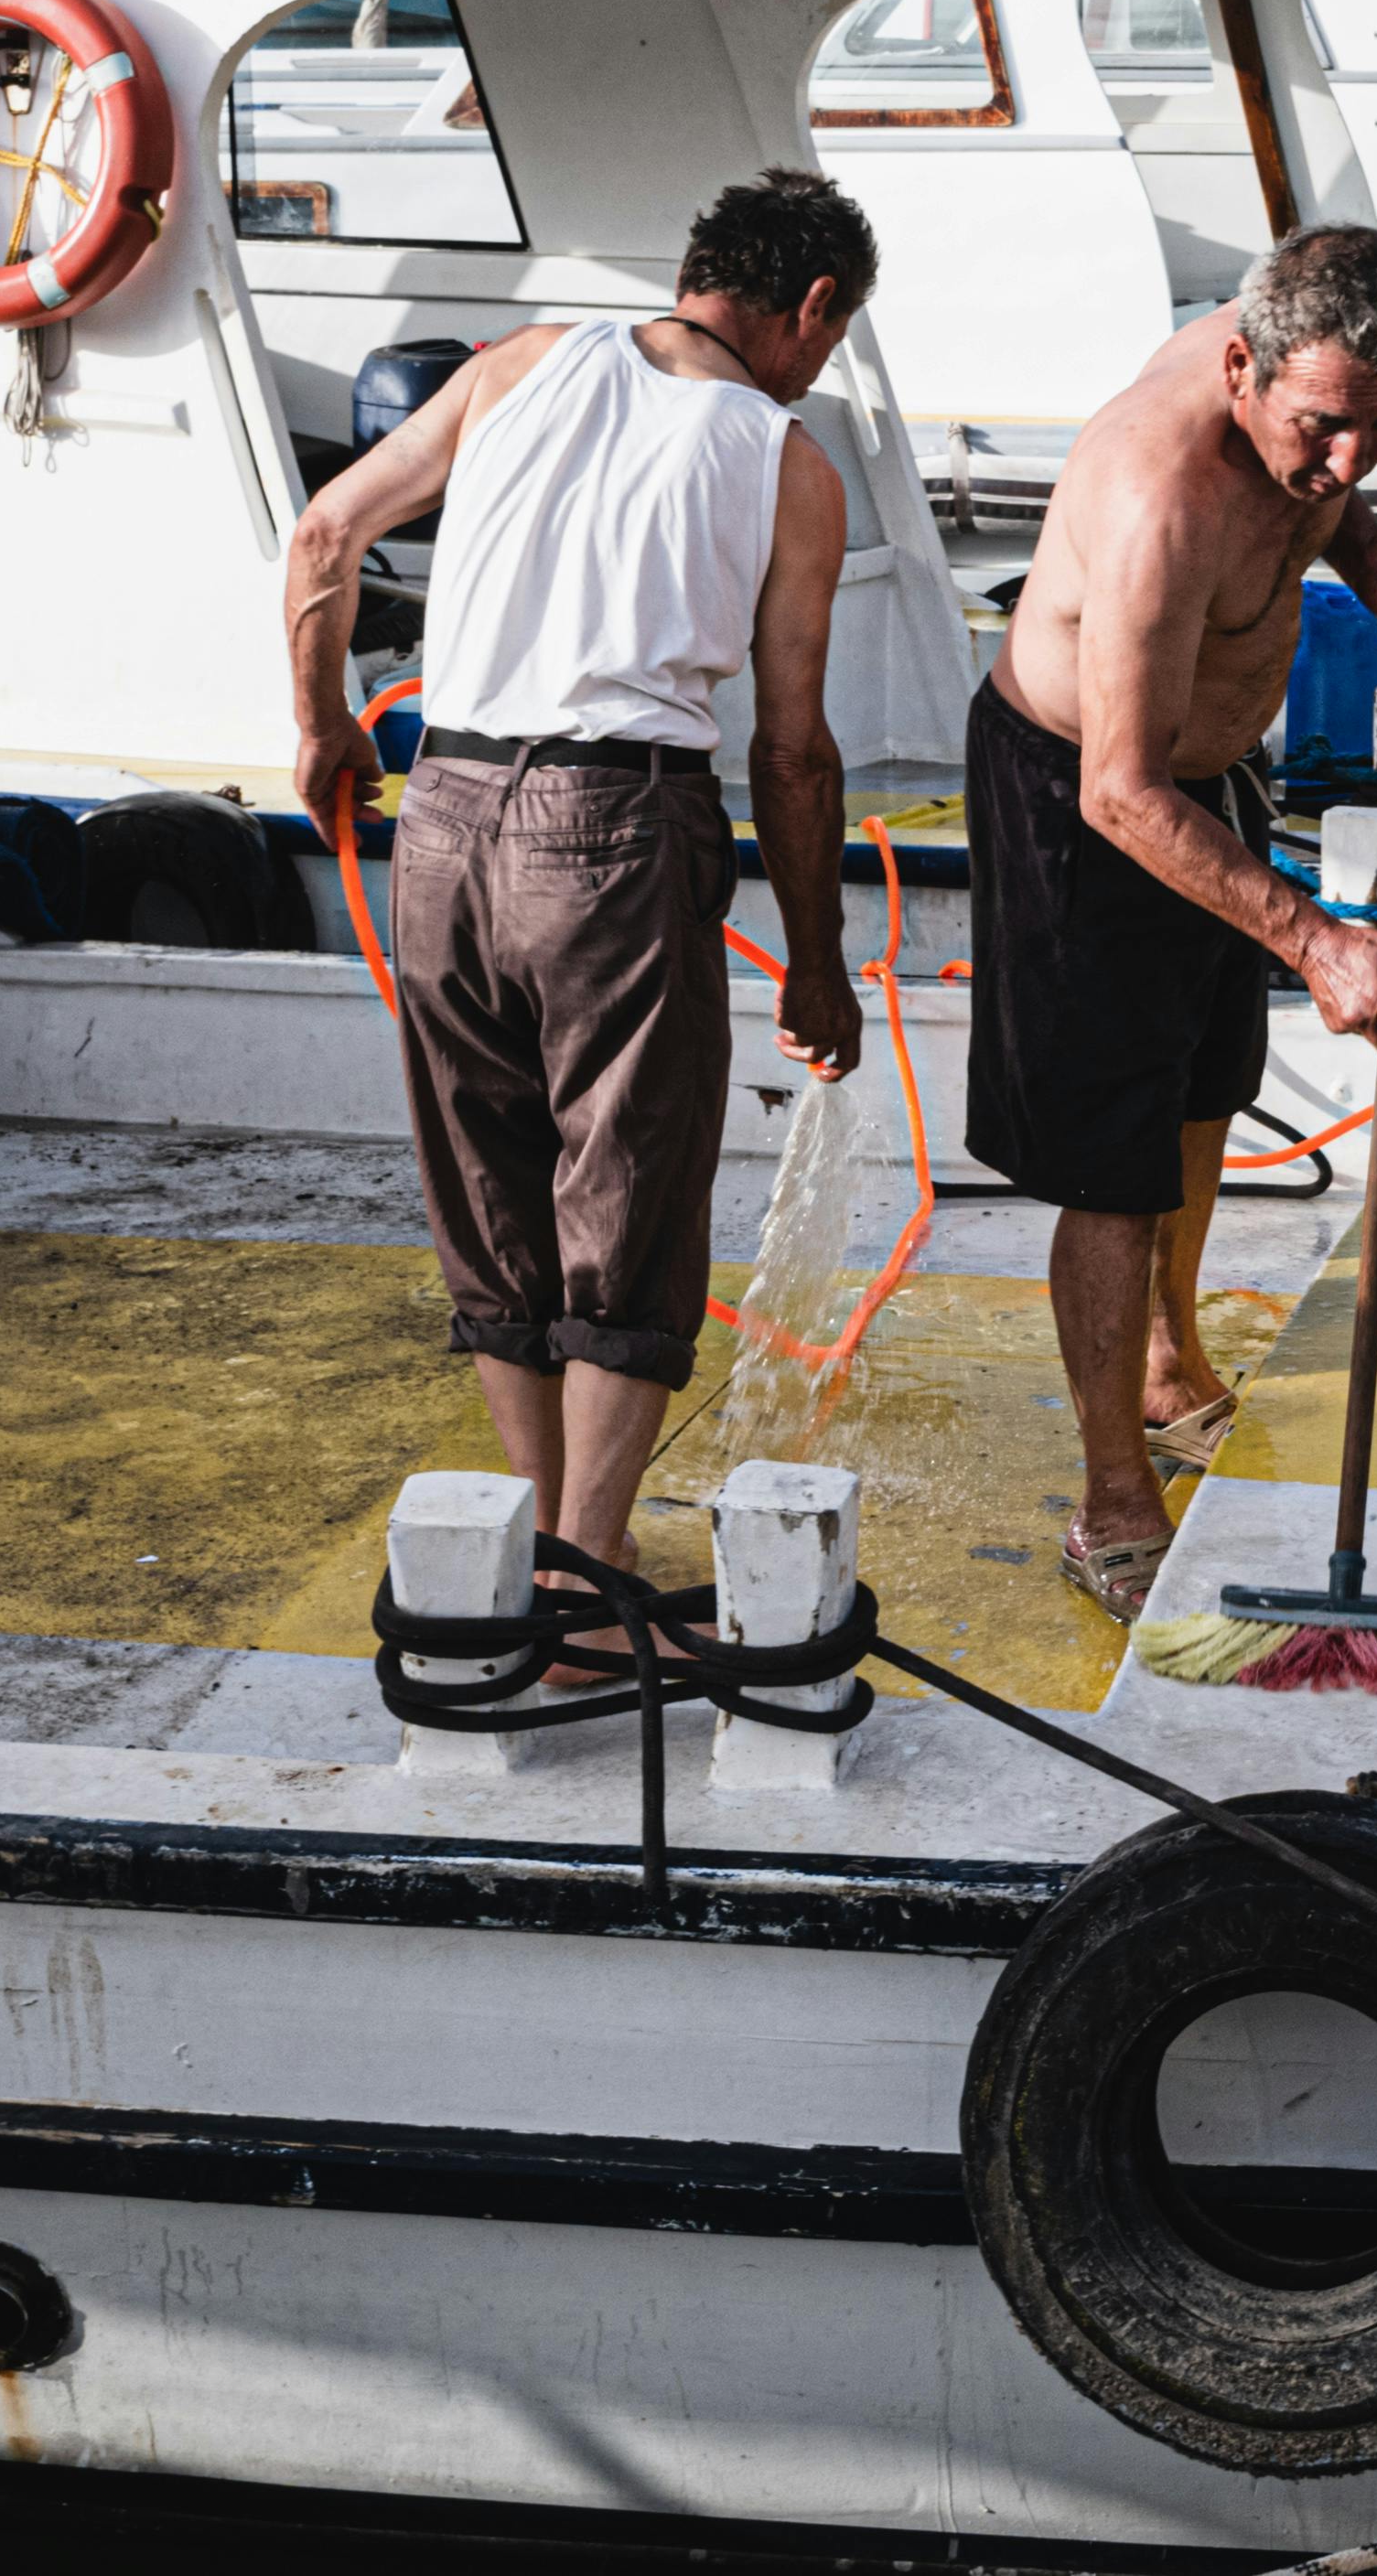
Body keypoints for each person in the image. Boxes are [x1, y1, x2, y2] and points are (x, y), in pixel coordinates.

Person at [285, 168, 869, 1648]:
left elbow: (322, 540)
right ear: (808, 308)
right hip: (613, 822)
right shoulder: (783, 460)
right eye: (831, 333)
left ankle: (543, 1547)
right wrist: (816, 960)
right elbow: (791, 749)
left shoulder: (518, 365)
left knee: (491, 1185)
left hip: (444, 810)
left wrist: (323, 729)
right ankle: (584, 1586)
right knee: (626, 1195)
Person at [972, 225, 1377, 1622]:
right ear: (1241, 369)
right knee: (1113, 1163)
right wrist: (1315, 937)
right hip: (1092, 800)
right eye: (1327, 429)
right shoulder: (1155, 497)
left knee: (1203, 1097)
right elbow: (1120, 793)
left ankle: (1168, 1365)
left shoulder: (1304, 396)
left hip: (1211, 778)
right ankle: (1109, 1499)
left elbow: (1328, 505)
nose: (1352, 459)